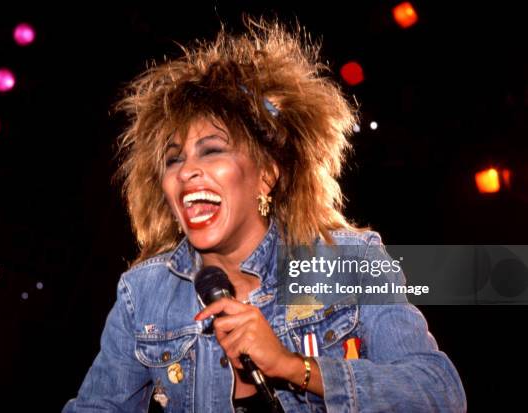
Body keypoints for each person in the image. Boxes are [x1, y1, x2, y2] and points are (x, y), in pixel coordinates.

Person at [63, 18, 466, 412]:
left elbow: (438, 393)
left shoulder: (349, 263)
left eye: (212, 149)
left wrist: (292, 367)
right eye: (173, 160)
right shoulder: (145, 295)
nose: (186, 171)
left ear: (266, 175)